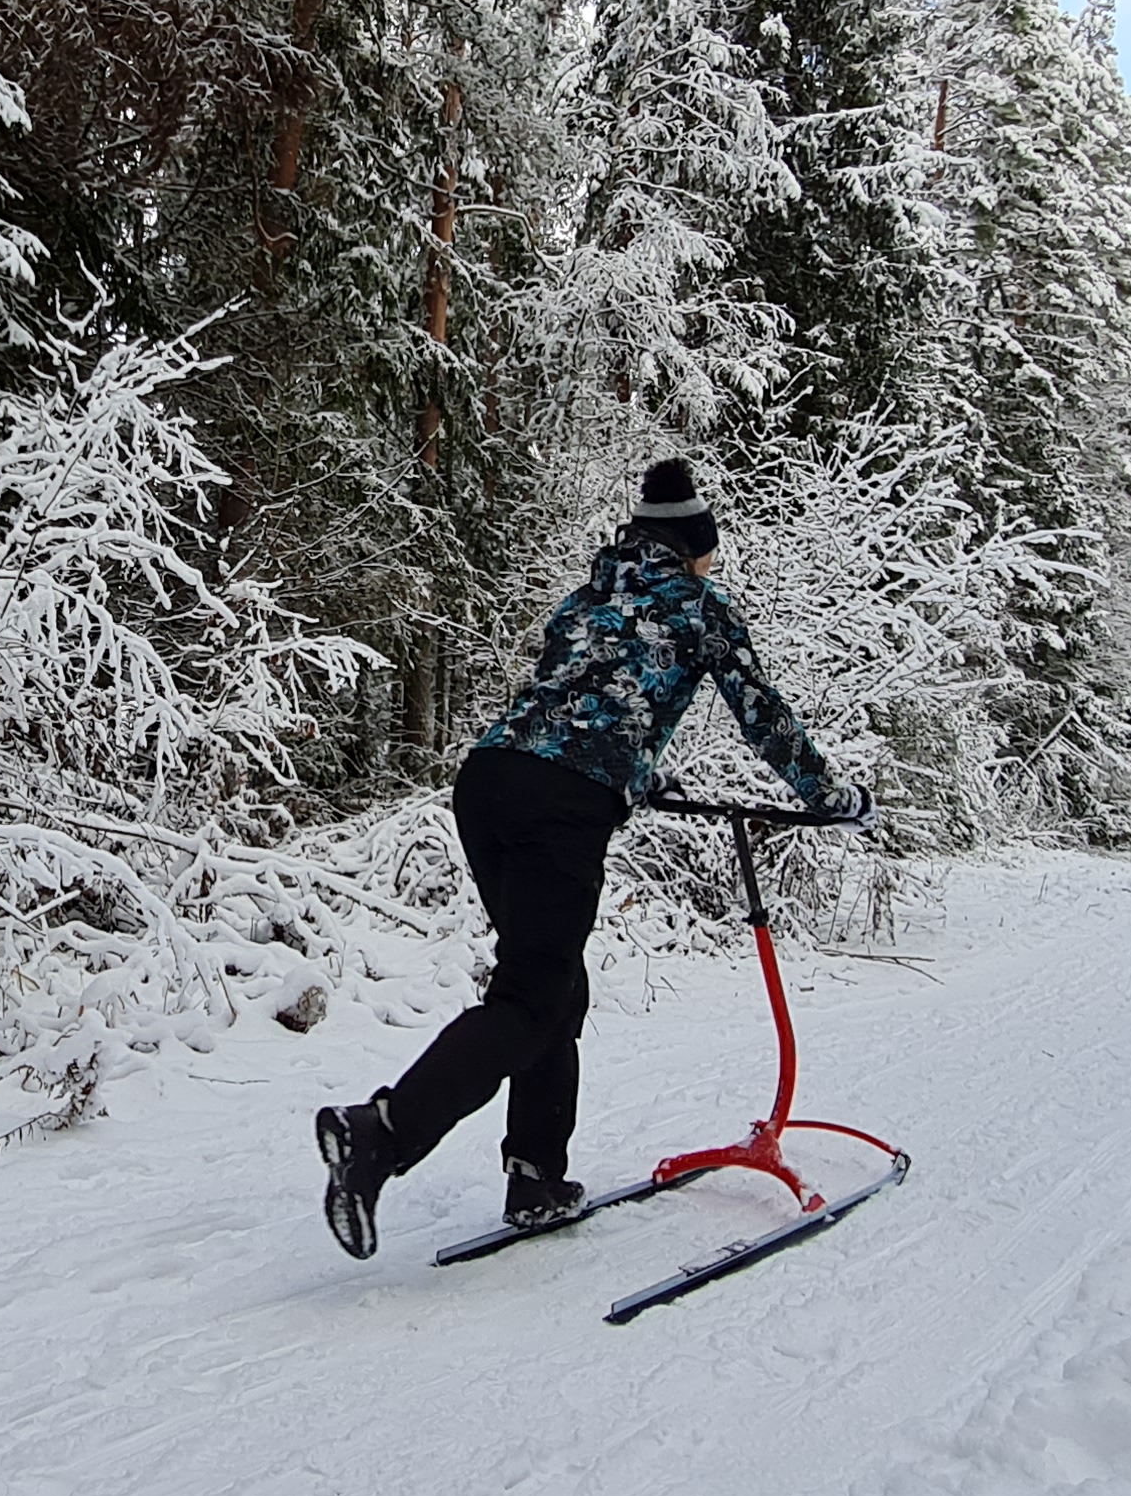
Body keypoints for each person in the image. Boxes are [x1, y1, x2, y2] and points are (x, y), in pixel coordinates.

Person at [315, 458, 868, 1258]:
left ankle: (537, 1178)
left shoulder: (586, 600)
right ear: (692, 545)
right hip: (561, 806)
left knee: (551, 987)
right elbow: (763, 719)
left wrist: (640, 771)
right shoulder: (700, 607)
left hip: (491, 782)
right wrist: (831, 797)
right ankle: (382, 1133)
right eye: (709, 549)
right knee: (530, 1004)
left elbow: (581, 702)